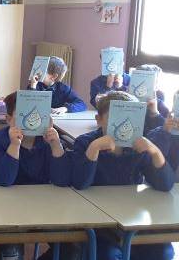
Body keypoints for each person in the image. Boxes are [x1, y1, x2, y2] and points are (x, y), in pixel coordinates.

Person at [72, 91, 174, 260]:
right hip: (99, 224)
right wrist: (94, 149)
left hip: (131, 220)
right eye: (114, 117)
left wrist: (155, 152)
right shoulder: (85, 143)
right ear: (99, 120)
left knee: (164, 252)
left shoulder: (137, 146)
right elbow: (80, 183)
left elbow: (165, 184)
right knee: (108, 255)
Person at [0, 91, 71, 260]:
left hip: (44, 207)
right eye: (22, 114)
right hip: (6, 209)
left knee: (73, 248)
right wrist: (15, 145)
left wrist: (56, 145)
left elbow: (62, 180)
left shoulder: (47, 140)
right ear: (9, 119)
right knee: (9, 252)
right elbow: (4, 180)